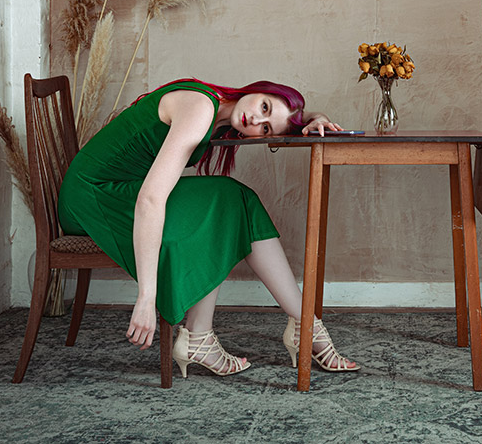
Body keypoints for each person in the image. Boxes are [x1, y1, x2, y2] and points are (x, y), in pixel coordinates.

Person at [58, 77, 358, 377]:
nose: (255, 119)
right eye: (263, 106)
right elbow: (150, 200)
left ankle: (218, 336)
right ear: (259, 88)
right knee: (229, 201)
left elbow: (286, 113)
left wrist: (316, 118)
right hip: (93, 198)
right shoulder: (200, 108)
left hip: (117, 189)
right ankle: (304, 327)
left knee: (230, 201)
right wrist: (146, 298)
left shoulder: (218, 110)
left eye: (265, 128)